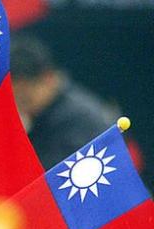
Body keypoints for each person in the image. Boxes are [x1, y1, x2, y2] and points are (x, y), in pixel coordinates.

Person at [10, 35, 117, 169]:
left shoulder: (80, 120)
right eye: (14, 99)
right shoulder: (42, 115)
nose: (21, 107)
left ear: (48, 78)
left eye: (25, 99)